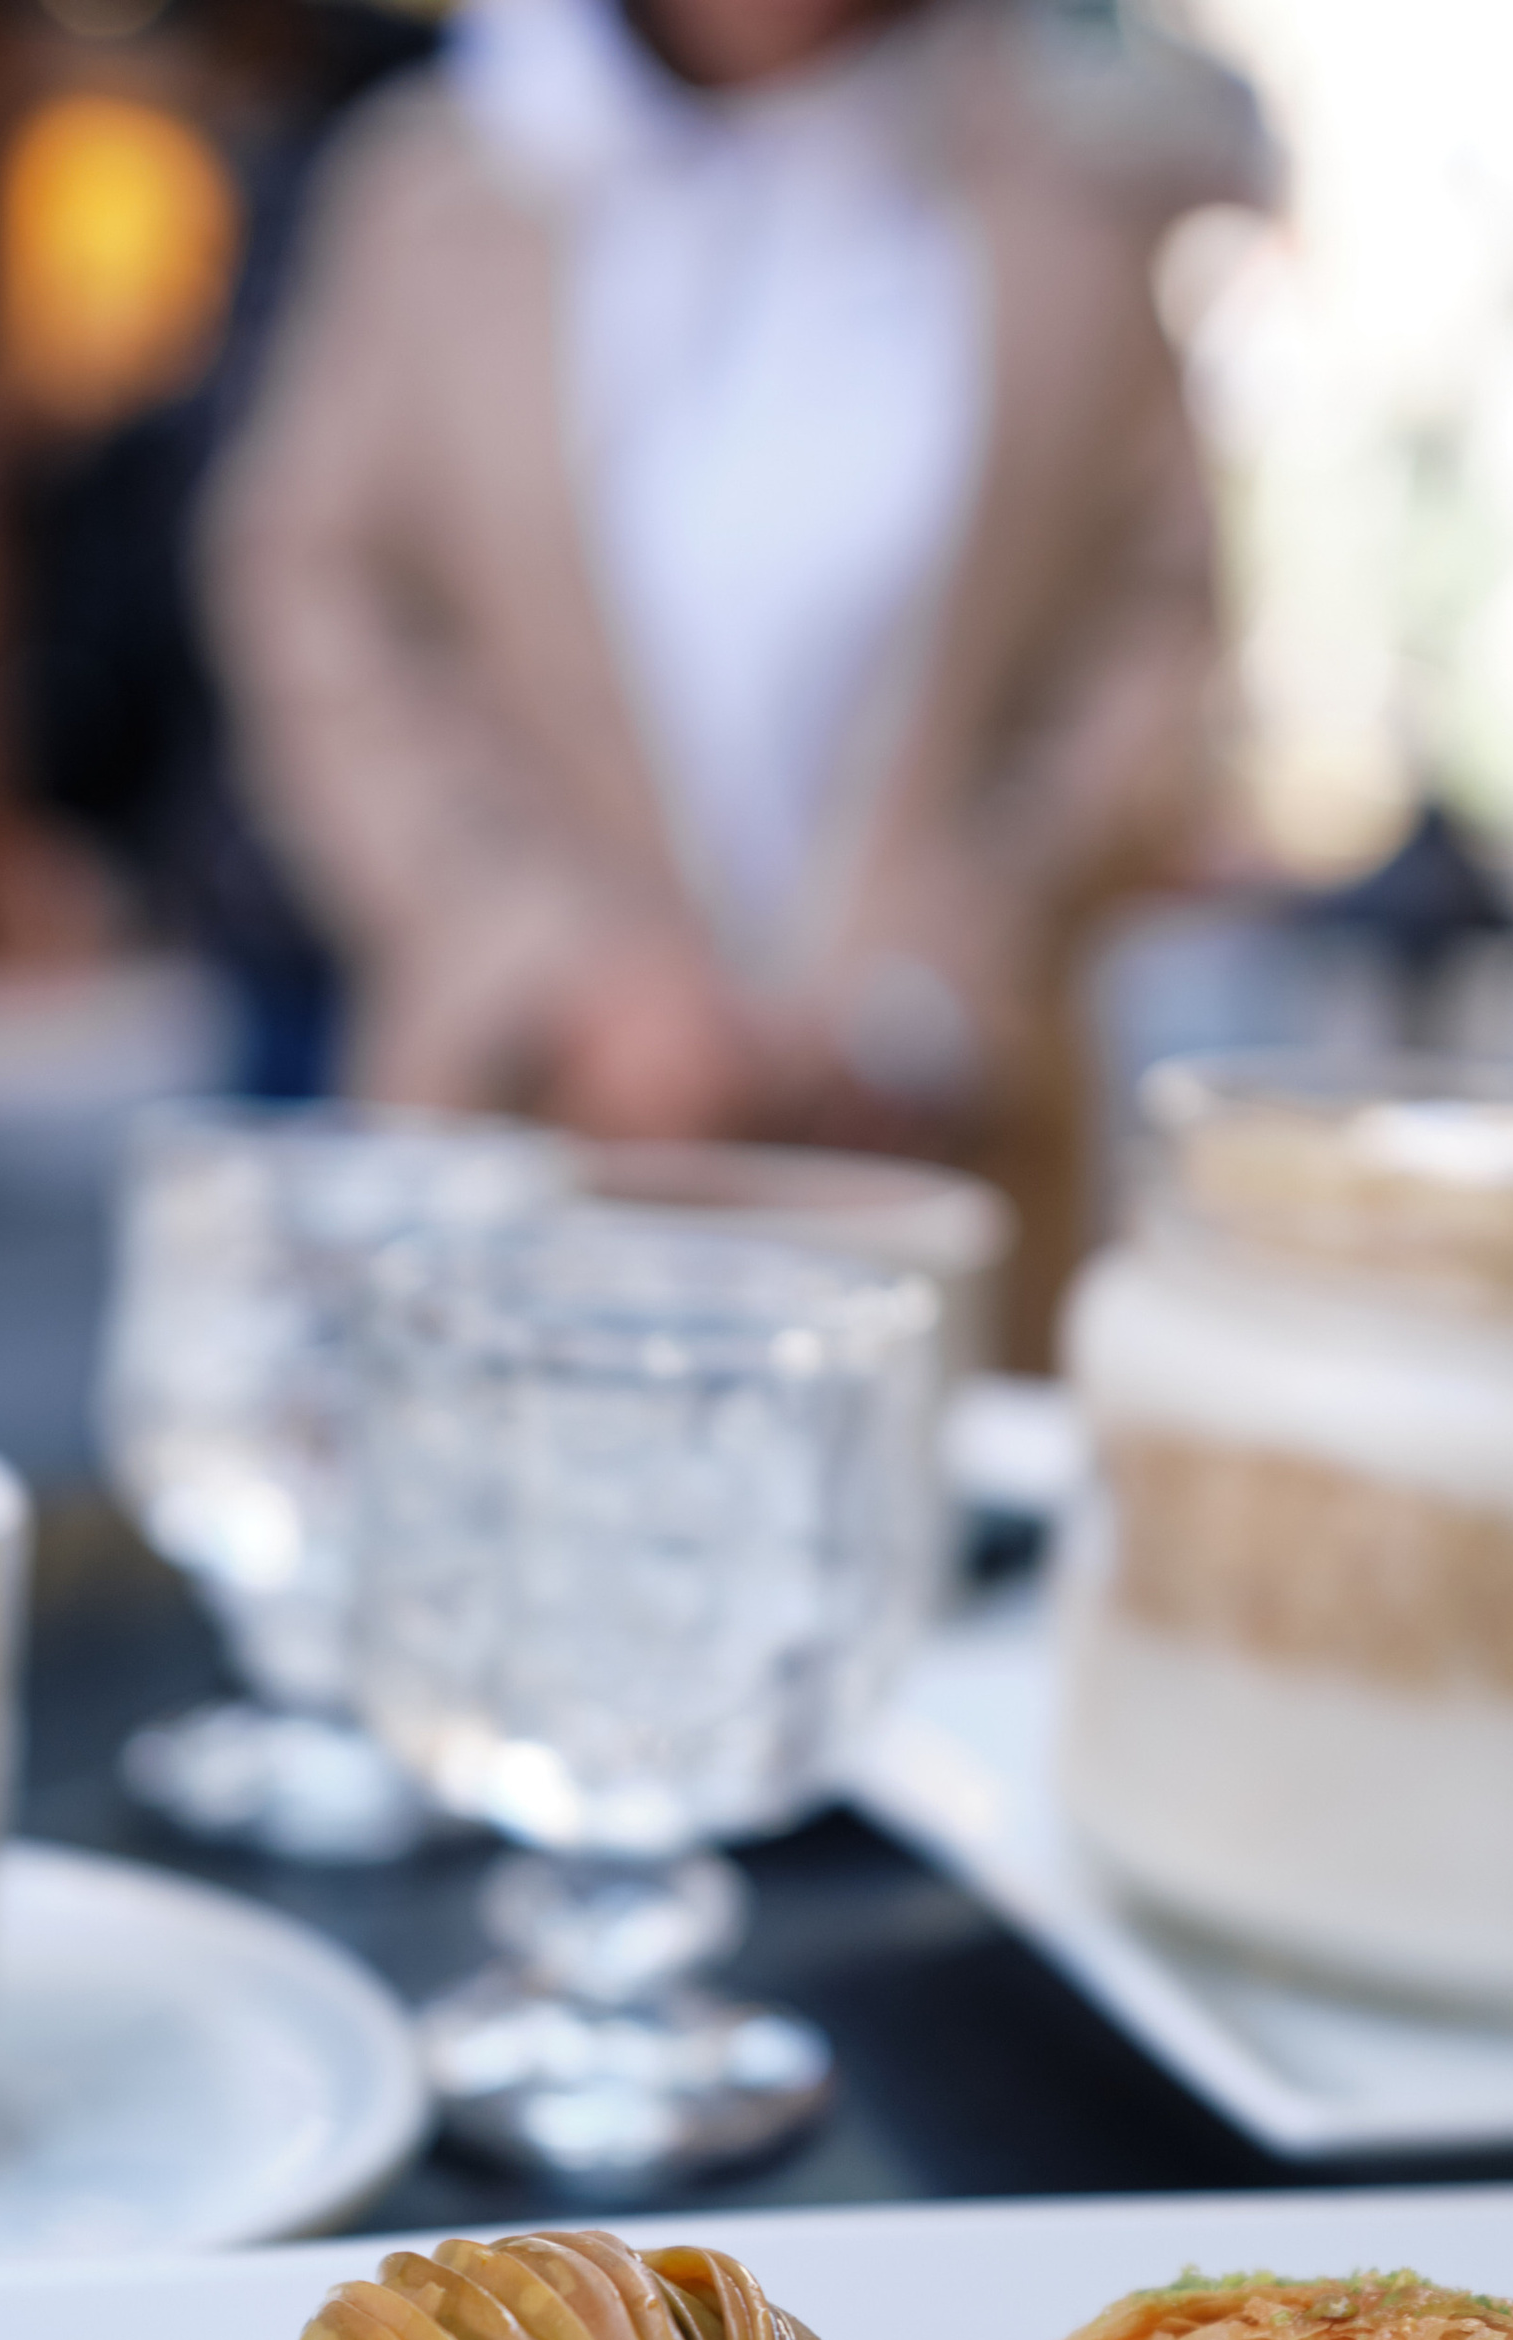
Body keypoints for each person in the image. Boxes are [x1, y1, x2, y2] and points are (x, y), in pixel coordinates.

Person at [199, 0, 1269, 1348]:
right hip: (526, 1149)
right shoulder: (433, 186)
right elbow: (316, 602)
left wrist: (936, 973)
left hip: (935, 1174)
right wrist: (556, 963)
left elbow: (1159, 633)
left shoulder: (1075, 195)